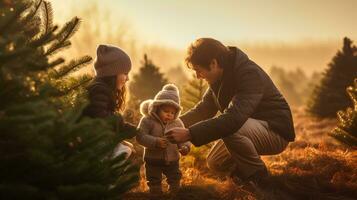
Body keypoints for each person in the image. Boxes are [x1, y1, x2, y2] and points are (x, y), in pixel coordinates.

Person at [165, 38, 295, 187]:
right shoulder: (220, 76)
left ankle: (260, 179)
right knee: (215, 162)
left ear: (213, 63)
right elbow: (203, 110)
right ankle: (243, 180)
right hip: (248, 127)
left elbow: (233, 120)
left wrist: (189, 134)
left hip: (275, 131)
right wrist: (170, 124)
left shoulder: (249, 74)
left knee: (231, 129)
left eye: (198, 70)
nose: (198, 76)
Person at [82, 44, 137, 159]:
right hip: (92, 145)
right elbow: (103, 119)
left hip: (99, 140)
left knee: (126, 148)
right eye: (125, 73)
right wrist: (128, 129)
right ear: (112, 73)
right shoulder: (99, 90)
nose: (128, 78)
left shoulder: (102, 89)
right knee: (123, 151)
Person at [136, 84, 191, 194]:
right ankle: (156, 194)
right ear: (157, 108)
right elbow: (140, 136)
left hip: (173, 159)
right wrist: (155, 142)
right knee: (154, 181)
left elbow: (183, 137)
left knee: (175, 178)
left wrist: (185, 147)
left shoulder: (177, 122)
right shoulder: (147, 120)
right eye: (166, 111)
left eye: (172, 112)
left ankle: (174, 194)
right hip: (153, 159)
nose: (169, 115)